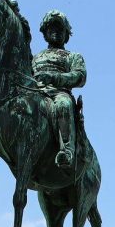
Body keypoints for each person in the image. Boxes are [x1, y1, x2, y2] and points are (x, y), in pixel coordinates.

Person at [33, 10, 86, 169]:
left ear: (66, 34)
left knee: (63, 104)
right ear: (45, 32)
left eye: (60, 28)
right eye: (51, 28)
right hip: (36, 94)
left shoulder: (73, 56)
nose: (55, 31)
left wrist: (54, 78)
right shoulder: (35, 57)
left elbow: (80, 76)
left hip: (59, 93)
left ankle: (67, 150)